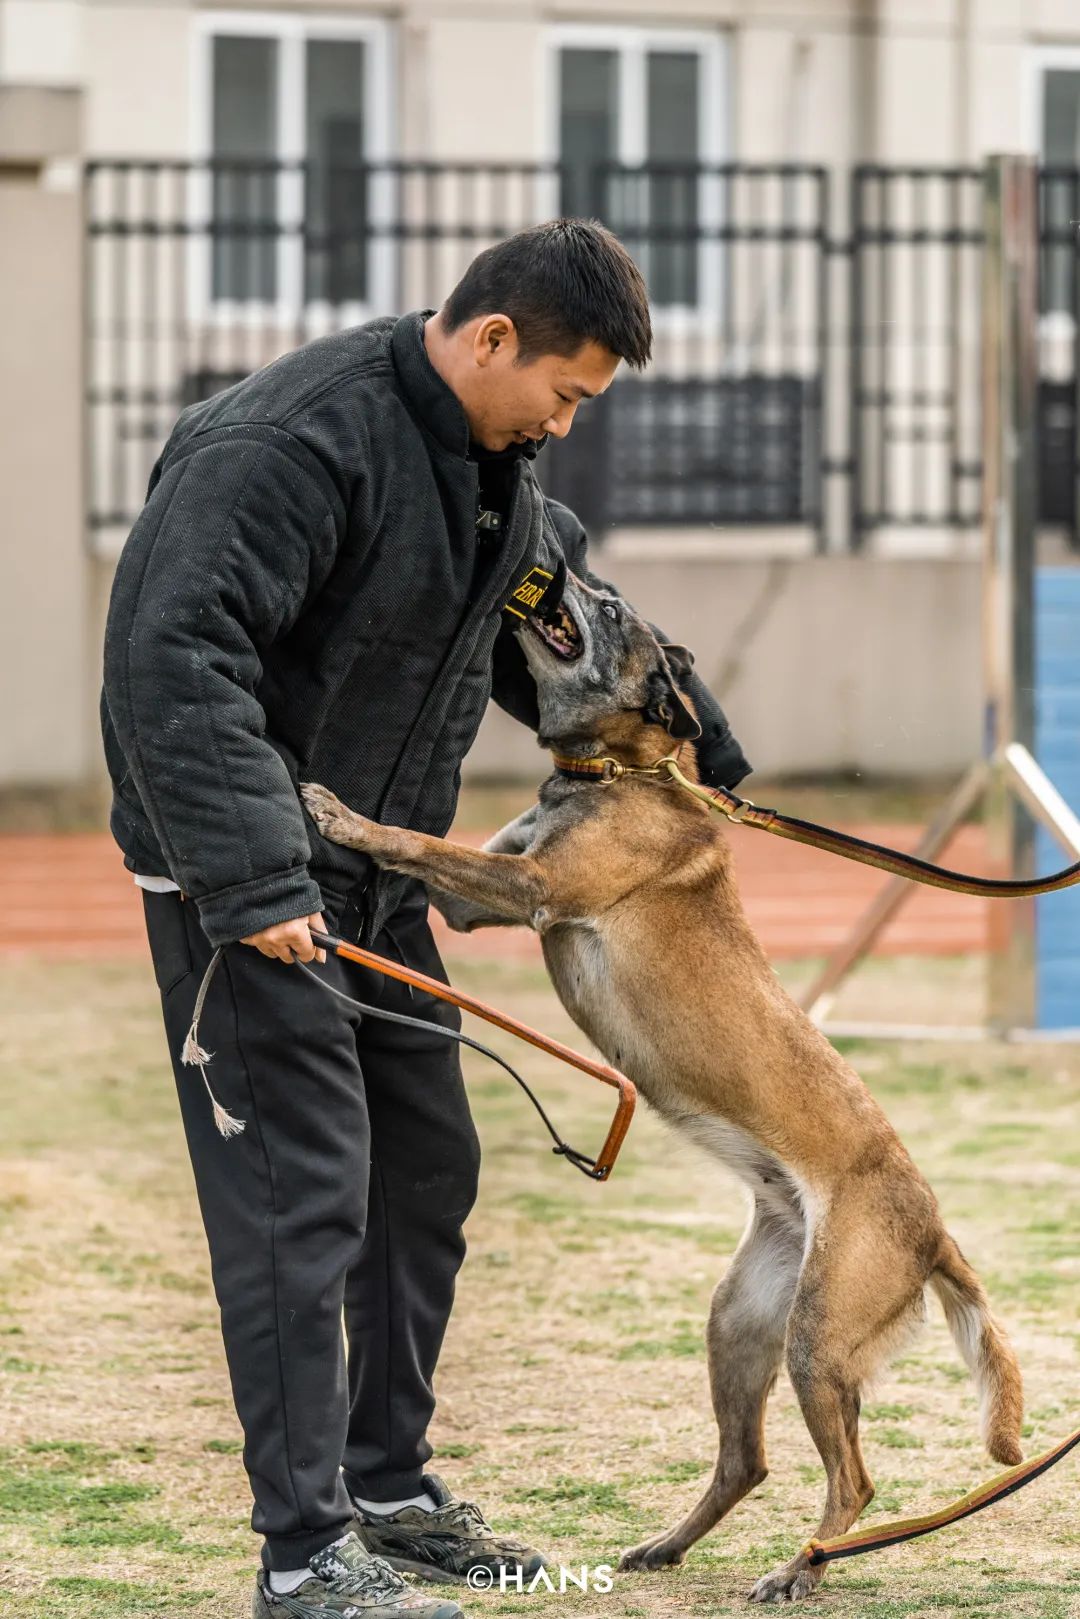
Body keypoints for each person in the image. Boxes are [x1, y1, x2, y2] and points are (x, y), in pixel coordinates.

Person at [101, 219, 752, 1619]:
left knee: (422, 1178)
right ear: (494, 338)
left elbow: (562, 621)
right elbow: (172, 653)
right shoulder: (286, 445)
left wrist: (697, 732)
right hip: (253, 884)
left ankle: (389, 1494)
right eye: (566, 395)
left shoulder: (495, 475)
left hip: (380, 879)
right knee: (303, 1203)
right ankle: (303, 1556)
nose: (567, 427)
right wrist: (256, 879)